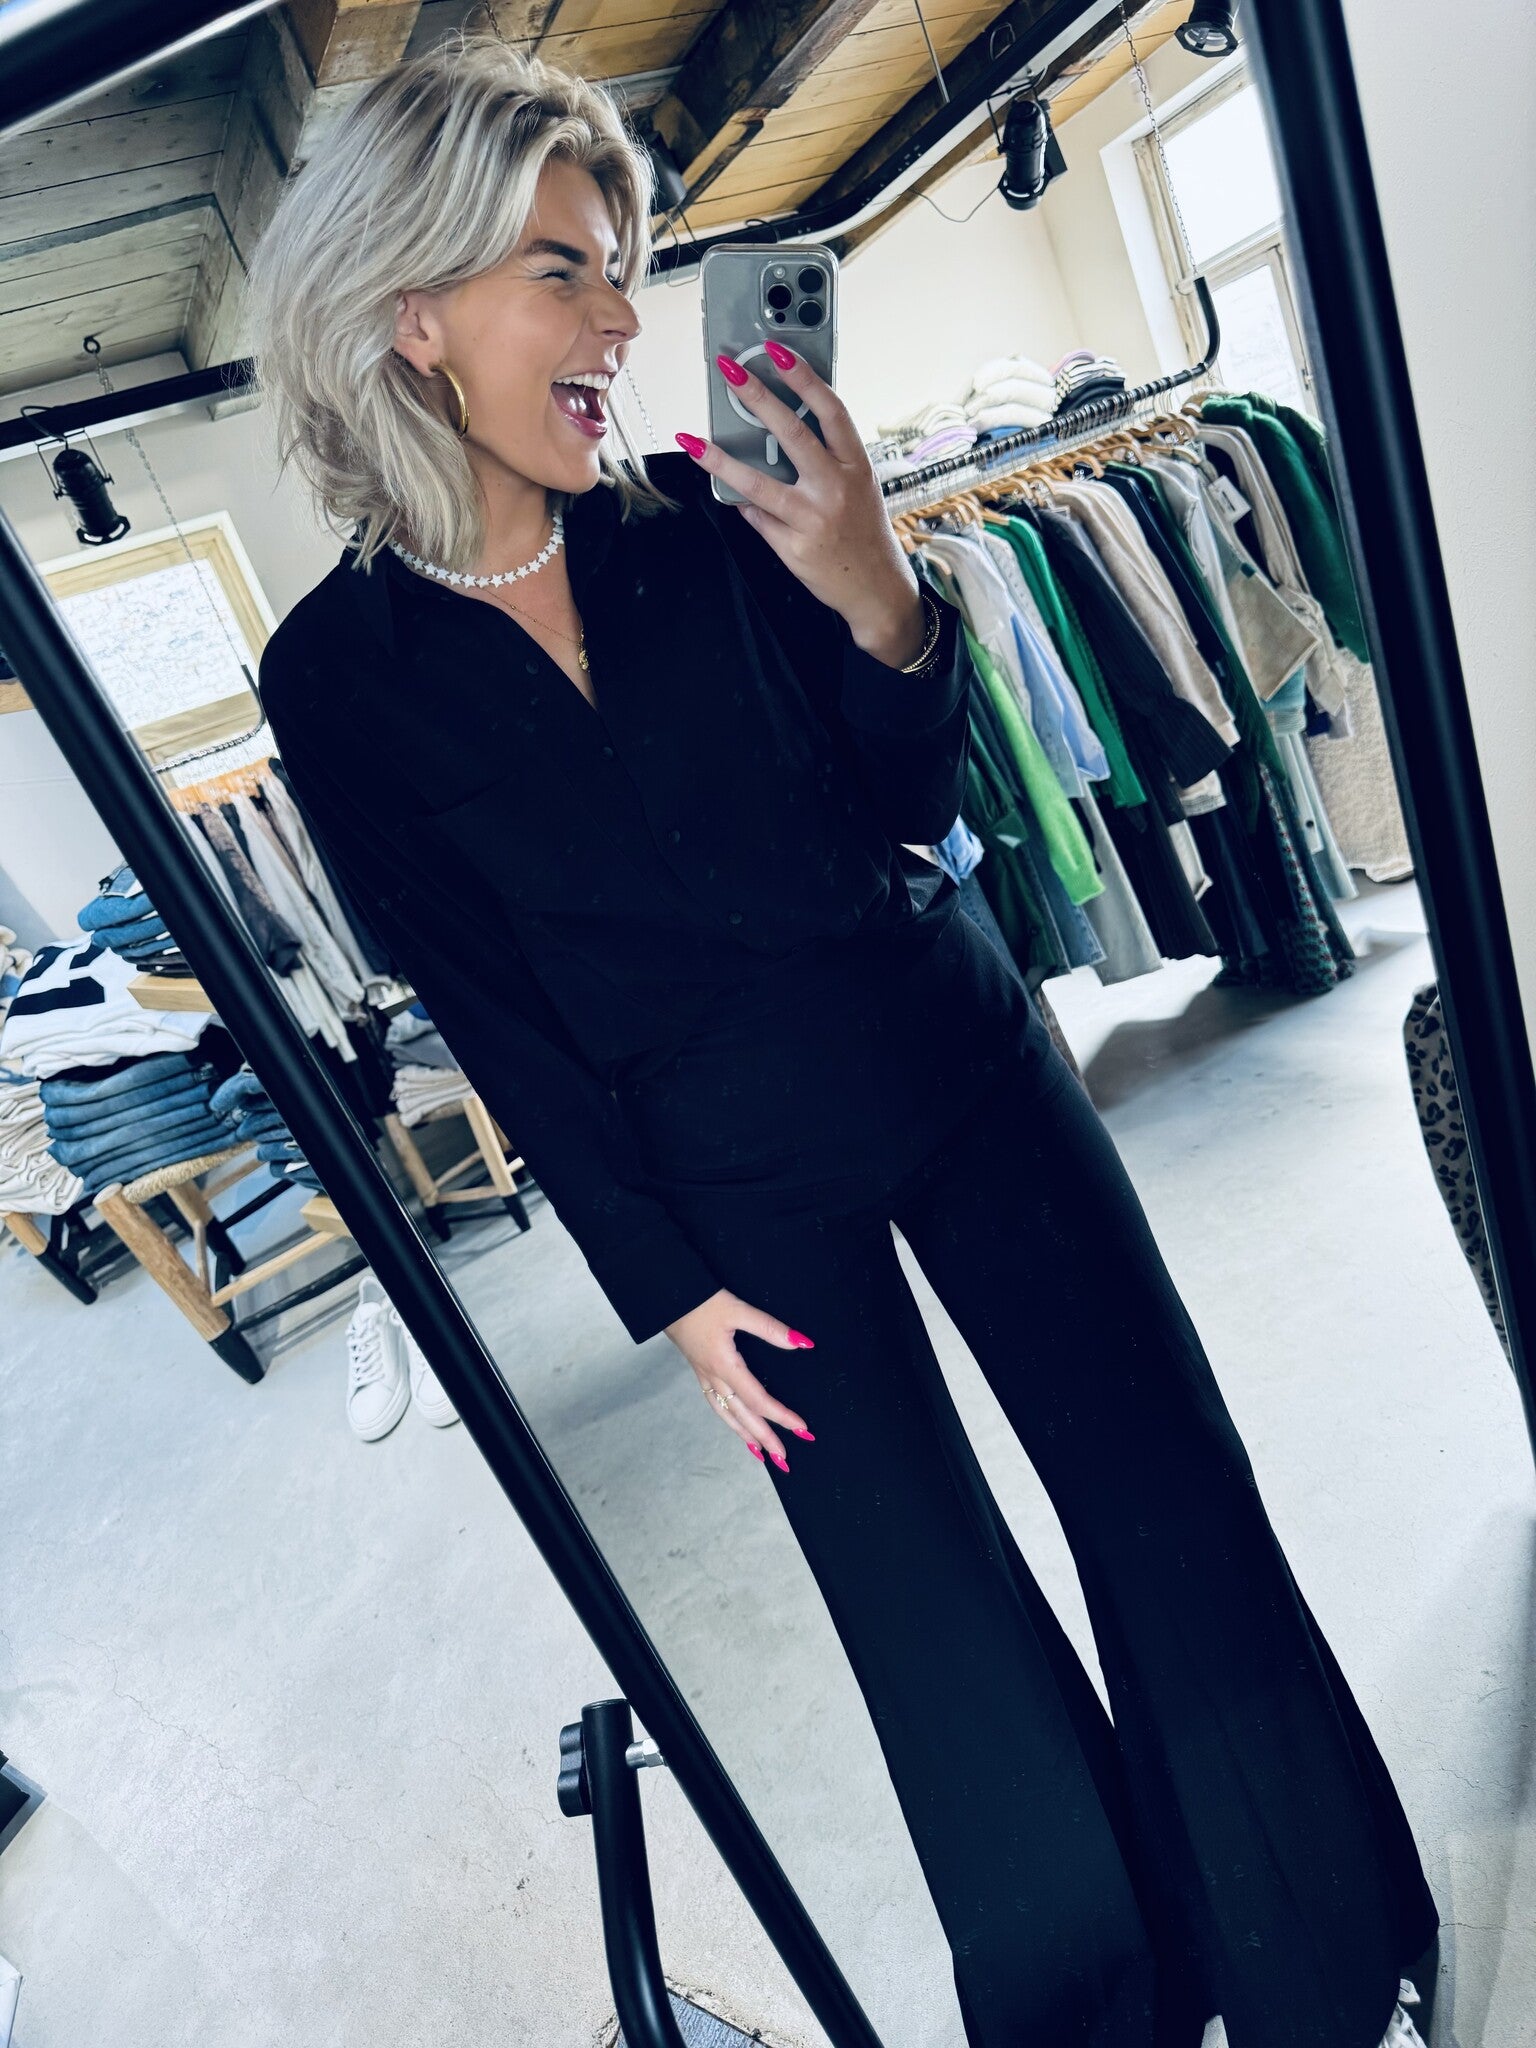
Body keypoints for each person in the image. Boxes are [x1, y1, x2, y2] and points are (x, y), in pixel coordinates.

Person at [244, 34, 1439, 2048]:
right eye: (566, 271)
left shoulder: (710, 524)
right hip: (735, 1195)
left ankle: (1317, 1968)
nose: (623, 322)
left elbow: (912, 797)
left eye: (627, 270)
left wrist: (877, 588)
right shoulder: (339, 680)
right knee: (928, 1619)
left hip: (960, 1065)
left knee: (1165, 1486)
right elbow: (487, 1005)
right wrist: (662, 1284)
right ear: (412, 310)